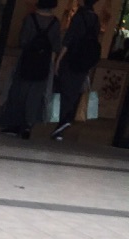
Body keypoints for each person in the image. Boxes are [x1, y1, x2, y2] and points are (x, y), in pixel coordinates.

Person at [0, 0, 62, 139]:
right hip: (44, 63)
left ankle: (14, 124)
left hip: (27, 61)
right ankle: (28, 124)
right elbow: (55, 46)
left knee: (19, 92)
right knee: (35, 95)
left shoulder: (30, 19)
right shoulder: (55, 23)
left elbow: (23, 40)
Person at [51, 0, 102, 139]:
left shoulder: (79, 16)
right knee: (74, 91)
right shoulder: (95, 19)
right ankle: (64, 121)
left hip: (71, 58)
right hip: (85, 61)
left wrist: (59, 59)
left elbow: (69, 38)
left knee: (63, 89)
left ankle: (63, 119)